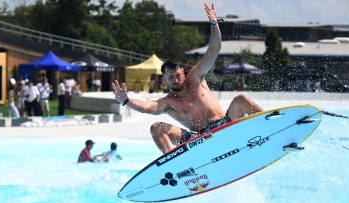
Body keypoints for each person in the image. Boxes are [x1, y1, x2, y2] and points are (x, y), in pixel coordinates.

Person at [112, 2, 264, 154]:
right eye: (170, 77)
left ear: (183, 73)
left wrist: (214, 24)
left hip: (224, 126)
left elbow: (214, 49)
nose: (175, 79)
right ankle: (173, 162)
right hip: (199, 139)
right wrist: (126, 100)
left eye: (177, 75)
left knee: (241, 99)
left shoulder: (196, 77)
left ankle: (272, 126)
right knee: (156, 128)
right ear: (165, 80)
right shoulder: (168, 102)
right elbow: (146, 107)